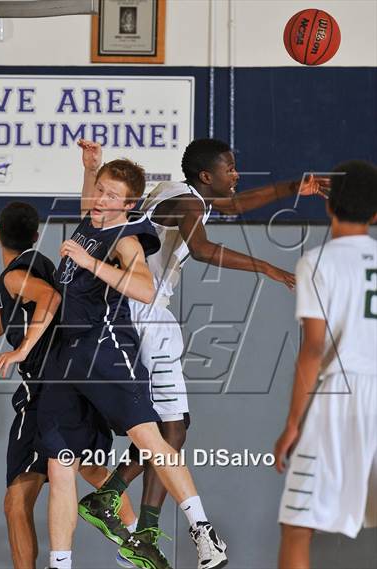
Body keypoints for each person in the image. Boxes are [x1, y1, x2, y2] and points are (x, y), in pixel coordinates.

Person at [77, 138, 328, 569]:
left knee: (170, 430)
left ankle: (122, 506)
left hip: (137, 310)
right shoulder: (187, 205)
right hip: (142, 313)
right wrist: (267, 267)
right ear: (206, 176)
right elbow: (204, 249)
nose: (236, 174)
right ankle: (125, 509)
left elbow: (233, 206)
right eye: (230, 168)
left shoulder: (180, 194)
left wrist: (290, 188)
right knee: (168, 431)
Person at [0, 202, 136, 569]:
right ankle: (139, 540)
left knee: (29, 496)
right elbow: (2, 321)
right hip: (69, 384)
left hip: (46, 391)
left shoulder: (16, 275)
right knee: (84, 473)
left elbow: (48, 298)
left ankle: (139, 540)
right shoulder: (38, 268)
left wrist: (23, 349)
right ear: (36, 235)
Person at [274, 160, 377, 569]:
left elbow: (313, 350)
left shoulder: (318, 262)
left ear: (329, 206)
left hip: (342, 394)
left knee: (298, 525)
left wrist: (293, 423)